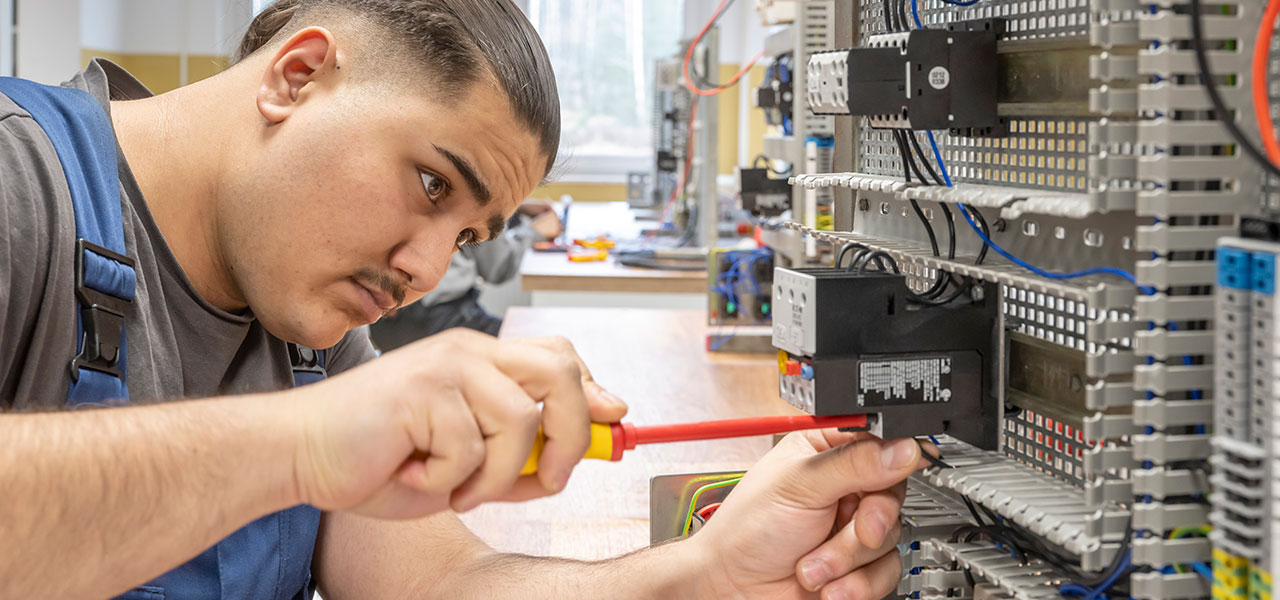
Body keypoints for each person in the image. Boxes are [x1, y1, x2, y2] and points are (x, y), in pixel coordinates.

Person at [0, 1, 926, 598]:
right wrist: (307, 443)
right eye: (435, 186)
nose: (427, 272)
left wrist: (706, 572)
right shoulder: (18, 185)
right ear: (298, 75)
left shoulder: (307, 328)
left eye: (469, 236)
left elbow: (445, 583)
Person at [369, 201, 562, 347]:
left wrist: (517, 208)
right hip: (438, 320)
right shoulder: (479, 191)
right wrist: (534, 232)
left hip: (387, 324)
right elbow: (499, 266)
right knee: (540, 348)